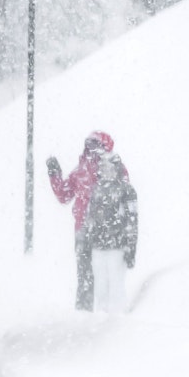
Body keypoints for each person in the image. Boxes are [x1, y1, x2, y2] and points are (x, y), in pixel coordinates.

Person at [47, 131, 129, 311]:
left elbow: (125, 194)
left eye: (96, 144)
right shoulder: (81, 170)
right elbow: (64, 195)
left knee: (104, 273)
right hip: (84, 229)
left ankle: (105, 312)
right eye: (89, 144)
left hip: (105, 229)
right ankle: (85, 313)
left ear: (106, 147)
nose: (92, 149)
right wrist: (55, 175)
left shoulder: (113, 168)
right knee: (85, 273)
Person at [82, 152, 138, 313]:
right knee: (100, 288)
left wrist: (131, 247)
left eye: (107, 166)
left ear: (116, 168)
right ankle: (101, 322)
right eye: (102, 166)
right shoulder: (97, 189)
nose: (103, 169)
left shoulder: (126, 190)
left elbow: (132, 220)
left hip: (117, 247)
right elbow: (90, 217)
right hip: (97, 247)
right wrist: (87, 241)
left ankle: (118, 322)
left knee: (116, 286)